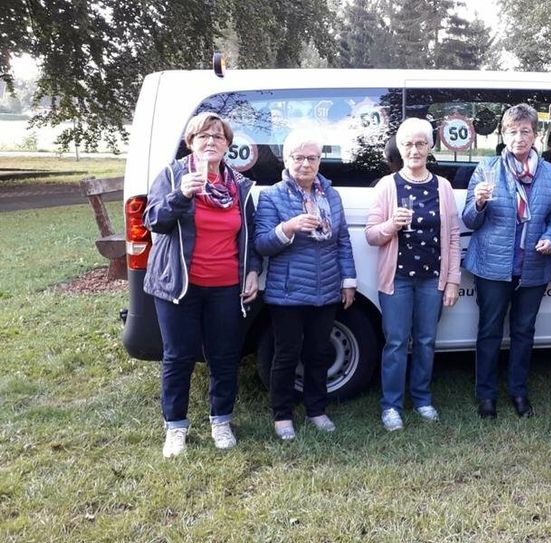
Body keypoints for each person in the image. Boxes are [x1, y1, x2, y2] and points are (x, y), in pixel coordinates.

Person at [143, 111, 260, 458]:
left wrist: (252, 270)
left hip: (226, 285)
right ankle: (175, 427)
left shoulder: (238, 185)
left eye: (218, 136)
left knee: (224, 355)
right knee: (178, 356)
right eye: (203, 136)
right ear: (191, 142)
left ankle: (221, 420)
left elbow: (249, 234)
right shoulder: (172, 175)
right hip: (179, 284)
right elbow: (153, 220)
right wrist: (181, 195)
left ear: (227, 145)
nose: (211, 141)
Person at [462, 103, 551, 419]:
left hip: (533, 266)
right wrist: (478, 203)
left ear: (535, 135)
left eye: (525, 131)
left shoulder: (550, 173)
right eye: (512, 131)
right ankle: (486, 395)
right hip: (492, 267)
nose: (519, 137)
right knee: (489, 331)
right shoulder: (487, 168)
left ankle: (519, 392)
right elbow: (469, 220)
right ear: (503, 135)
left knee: (523, 331)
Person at [254, 129, 357, 441]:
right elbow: (262, 244)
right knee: (286, 355)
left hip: (326, 288)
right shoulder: (273, 196)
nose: (305, 164)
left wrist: (348, 280)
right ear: (286, 160)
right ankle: (282, 416)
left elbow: (342, 241)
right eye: (298, 157)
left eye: (312, 158)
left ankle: (316, 410)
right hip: (287, 291)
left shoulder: (331, 195)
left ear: (320, 161)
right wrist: (289, 227)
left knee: (318, 353)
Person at [365, 118, 461, 431]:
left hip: (432, 278)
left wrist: (452, 280)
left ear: (430, 147)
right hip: (398, 279)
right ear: (400, 148)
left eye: (421, 143)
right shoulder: (387, 185)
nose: (414, 150)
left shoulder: (442, 186)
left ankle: (422, 399)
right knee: (395, 342)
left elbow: (453, 236)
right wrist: (391, 225)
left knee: (426, 341)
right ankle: (391, 406)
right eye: (408, 144)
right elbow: (371, 235)